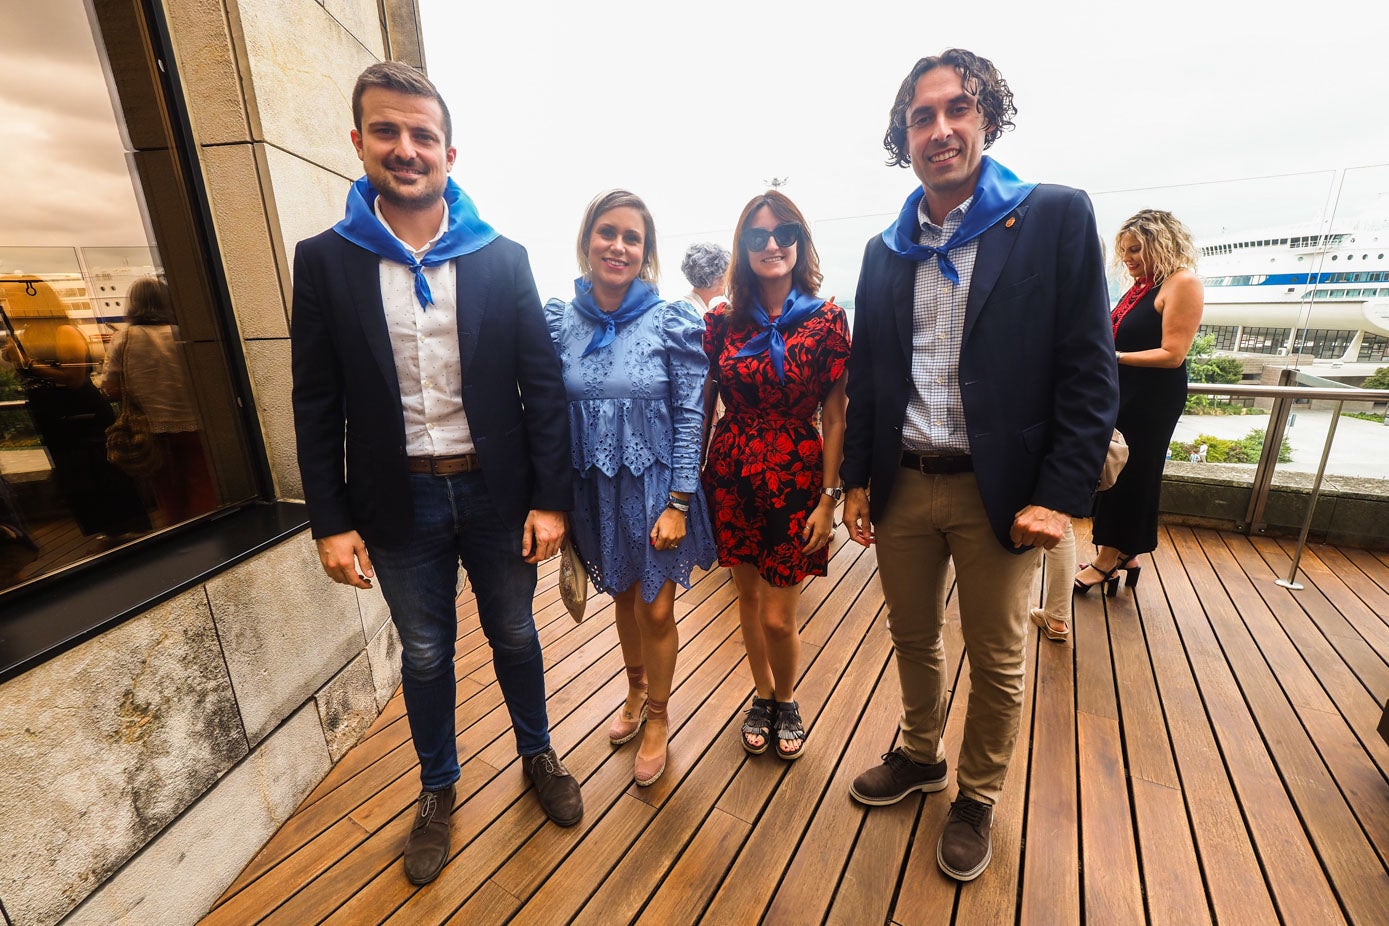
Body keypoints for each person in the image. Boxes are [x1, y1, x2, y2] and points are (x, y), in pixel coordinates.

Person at [290, 61, 580, 887]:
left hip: (497, 494)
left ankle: (537, 753)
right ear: (358, 143)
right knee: (423, 654)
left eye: (423, 135)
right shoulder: (326, 261)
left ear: (451, 153)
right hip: (396, 501)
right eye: (387, 131)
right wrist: (329, 519)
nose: (406, 148)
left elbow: (544, 390)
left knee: (517, 635)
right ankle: (436, 790)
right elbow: (315, 401)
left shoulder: (501, 257)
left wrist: (552, 501)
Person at [841, 49, 1118, 881]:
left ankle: (976, 796)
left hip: (999, 493)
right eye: (920, 118)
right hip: (902, 485)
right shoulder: (884, 249)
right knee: (911, 635)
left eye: (957, 109)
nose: (940, 129)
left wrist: (1059, 496)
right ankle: (921, 753)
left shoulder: (1053, 216)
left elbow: (1087, 368)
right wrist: (856, 478)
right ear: (904, 138)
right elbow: (870, 375)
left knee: (997, 656)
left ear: (986, 119)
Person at [546, 190, 716, 788]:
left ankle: (660, 719)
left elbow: (693, 415)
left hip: (654, 489)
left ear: (645, 252)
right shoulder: (559, 320)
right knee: (620, 595)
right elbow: (540, 406)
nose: (618, 246)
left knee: (657, 605)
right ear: (588, 239)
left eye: (632, 237)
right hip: (592, 486)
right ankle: (635, 690)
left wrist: (679, 501)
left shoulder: (671, 319)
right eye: (607, 232)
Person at [702, 191, 849, 761]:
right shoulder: (721, 322)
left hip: (795, 476)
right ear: (742, 248)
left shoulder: (827, 319)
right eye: (756, 236)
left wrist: (828, 498)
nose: (771, 244)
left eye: (783, 232)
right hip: (732, 471)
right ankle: (760, 694)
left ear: (800, 240)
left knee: (777, 614)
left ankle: (785, 697)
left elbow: (836, 416)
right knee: (744, 596)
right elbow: (703, 404)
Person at [1076, 210, 1203, 594]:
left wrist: (1112, 359)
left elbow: (1173, 354)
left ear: (1161, 243)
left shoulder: (1182, 283)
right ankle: (1123, 552)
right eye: (1124, 251)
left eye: (1136, 249)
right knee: (1115, 469)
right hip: (1126, 392)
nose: (1128, 258)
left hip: (1152, 397)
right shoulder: (1144, 288)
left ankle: (1106, 560)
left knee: (1133, 474)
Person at [0, 280, 149, 545]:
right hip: (55, 418)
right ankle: (108, 530)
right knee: (77, 476)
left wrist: (30, 364)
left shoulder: (64, 331)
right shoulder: (27, 335)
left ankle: (125, 527)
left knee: (99, 471)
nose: (9, 306)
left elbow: (75, 378)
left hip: (80, 416)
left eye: (13, 300)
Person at [102, 277, 217, 526]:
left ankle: (179, 535)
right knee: (202, 482)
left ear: (133, 305)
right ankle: (207, 533)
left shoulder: (124, 338)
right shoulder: (184, 334)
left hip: (148, 427)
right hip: (195, 421)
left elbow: (110, 388)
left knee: (166, 489)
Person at [680, 242, 730, 314]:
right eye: (725, 274)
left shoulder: (711, 305)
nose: (727, 280)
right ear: (714, 277)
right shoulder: (688, 311)